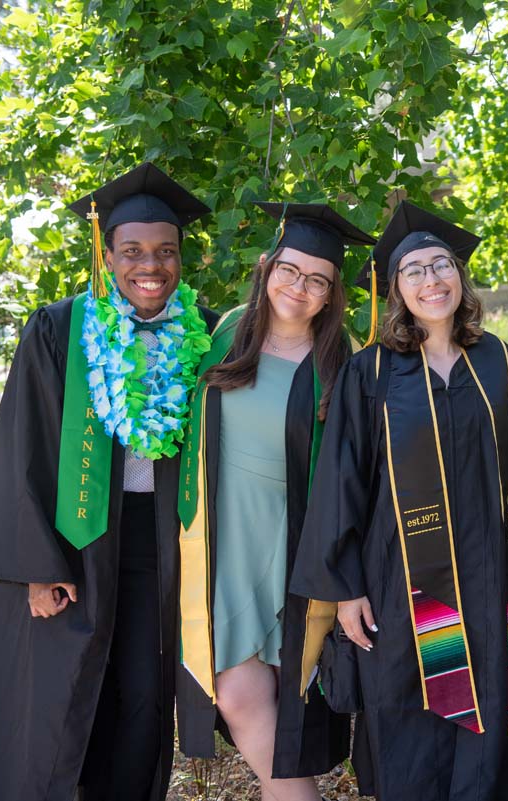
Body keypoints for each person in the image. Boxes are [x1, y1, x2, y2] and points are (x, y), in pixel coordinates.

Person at [0, 162, 219, 801]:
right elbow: (21, 445)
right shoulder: (59, 329)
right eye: (132, 251)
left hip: (162, 548)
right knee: (60, 702)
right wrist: (35, 567)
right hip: (73, 547)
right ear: (106, 256)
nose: (150, 265)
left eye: (166, 251)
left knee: (142, 698)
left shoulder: (205, 334)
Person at [289, 200, 508, 801]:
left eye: (442, 265)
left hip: (491, 578)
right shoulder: (371, 372)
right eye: (414, 270)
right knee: (409, 714)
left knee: (493, 709)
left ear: (460, 276)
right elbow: (341, 481)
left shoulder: (499, 361)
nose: (432, 279)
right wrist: (345, 588)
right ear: (395, 288)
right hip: (400, 583)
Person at [175, 202, 376, 800]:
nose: (299, 287)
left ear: (332, 293)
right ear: (267, 266)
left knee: (267, 701)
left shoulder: (344, 362)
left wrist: (347, 574)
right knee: (240, 695)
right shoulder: (226, 333)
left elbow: (358, 475)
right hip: (222, 543)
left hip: (297, 545)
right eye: (290, 270)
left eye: (318, 280)